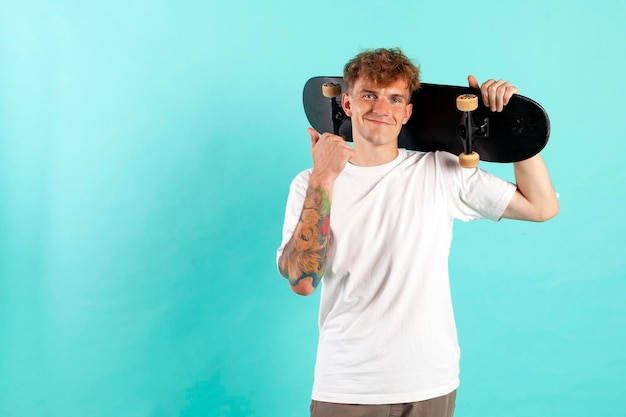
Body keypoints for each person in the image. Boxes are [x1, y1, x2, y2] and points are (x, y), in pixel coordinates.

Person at [276, 47, 559, 417]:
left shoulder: (439, 170)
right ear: (346, 103)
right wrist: (324, 176)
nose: (381, 108)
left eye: (395, 98)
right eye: (369, 95)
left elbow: (541, 207)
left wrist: (512, 128)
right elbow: (302, 281)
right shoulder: (310, 183)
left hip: (430, 381)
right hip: (348, 386)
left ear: (407, 112)